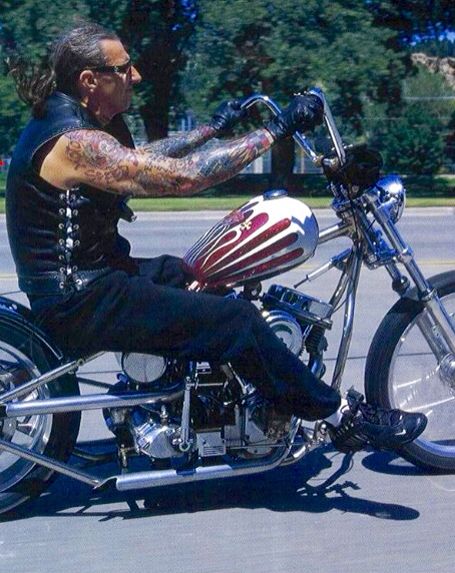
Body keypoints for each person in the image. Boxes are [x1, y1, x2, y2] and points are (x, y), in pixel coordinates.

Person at [6, 22, 426, 453]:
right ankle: (339, 417)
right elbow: (181, 178)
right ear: (90, 81)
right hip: (84, 298)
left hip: (90, 283)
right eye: (124, 68)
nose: (136, 76)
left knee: (195, 273)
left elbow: (142, 158)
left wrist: (213, 128)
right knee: (236, 322)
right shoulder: (72, 142)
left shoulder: (68, 121)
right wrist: (273, 131)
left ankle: (216, 402)